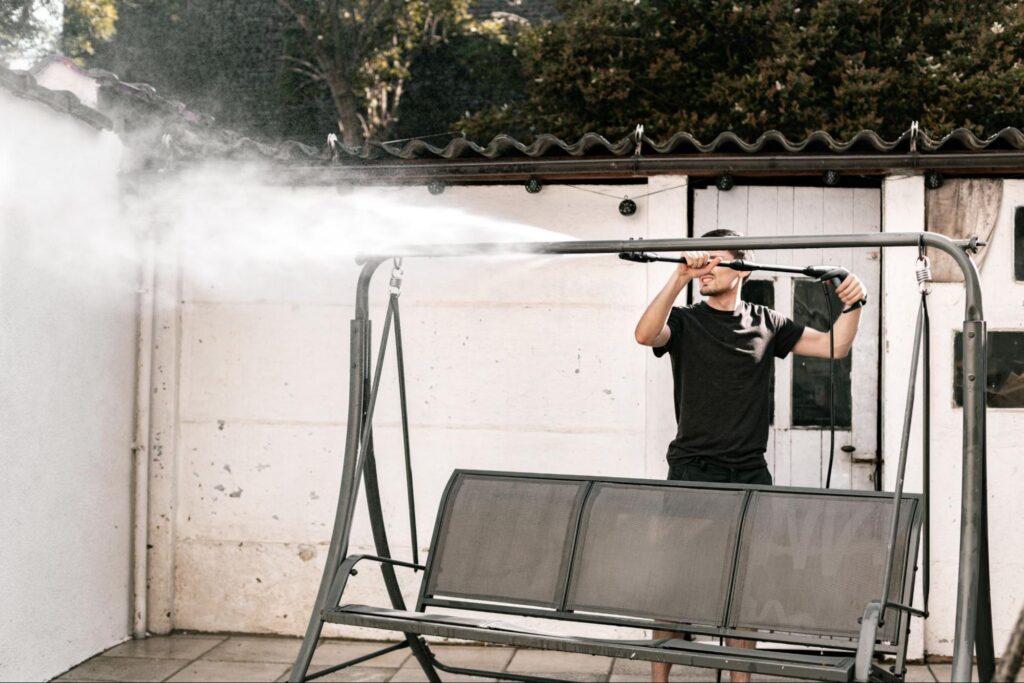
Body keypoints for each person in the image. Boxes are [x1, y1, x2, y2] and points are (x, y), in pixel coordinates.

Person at [633, 228, 866, 683]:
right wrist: (678, 277)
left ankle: (741, 680)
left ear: (742, 268)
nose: (703, 267)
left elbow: (834, 346)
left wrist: (855, 302)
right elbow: (645, 334)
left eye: (713, 259)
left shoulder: (767, 321)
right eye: (699, 259)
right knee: (673, 586)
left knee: (745, 589)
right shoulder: (685, 321)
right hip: (693, 470)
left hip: (749, 472)